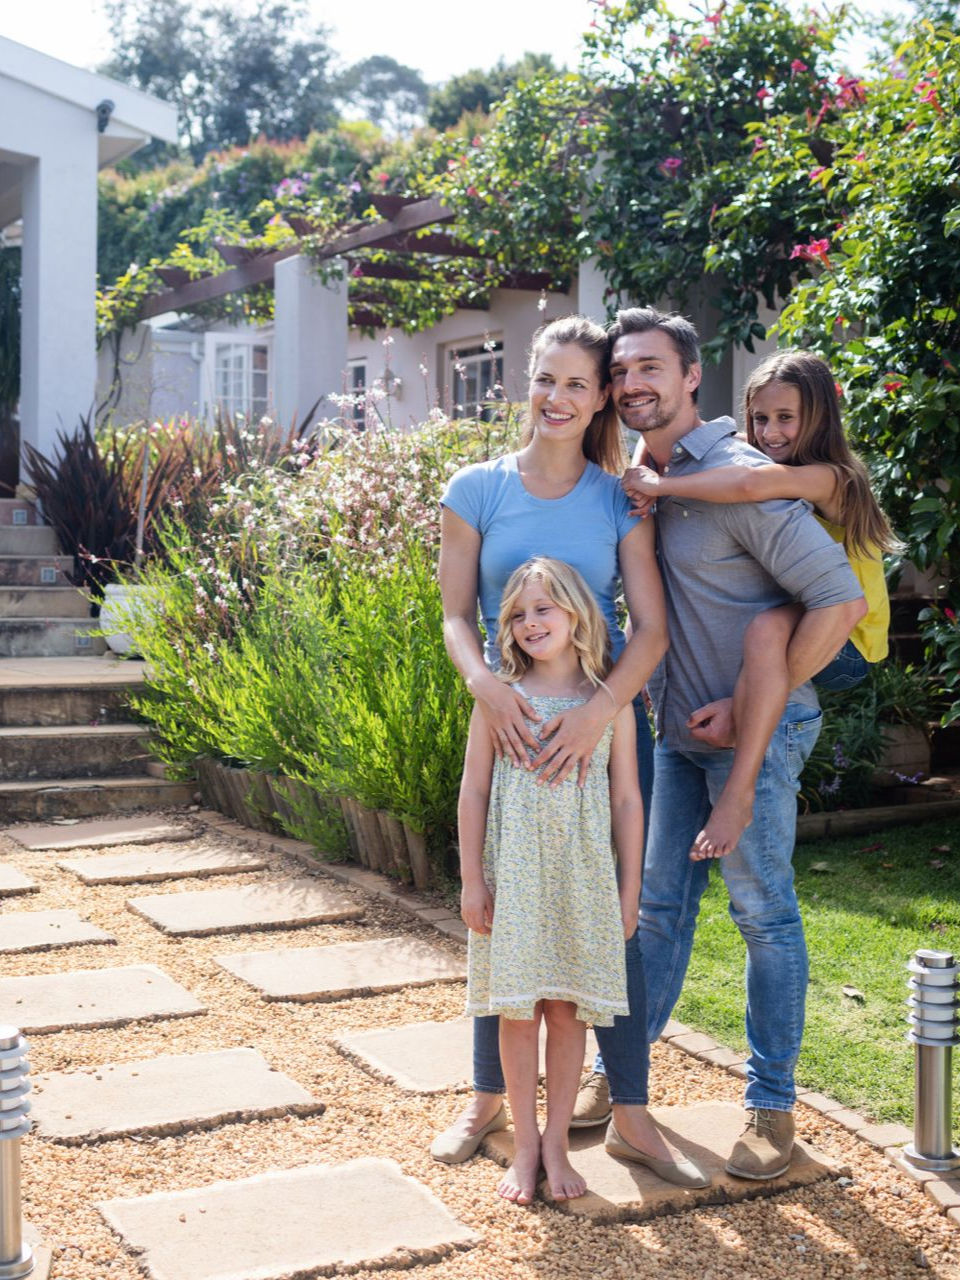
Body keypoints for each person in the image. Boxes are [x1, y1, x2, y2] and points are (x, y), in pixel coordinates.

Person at [576, 306, 866, 1182]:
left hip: (760, 736)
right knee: (657, 906)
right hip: (674, 731)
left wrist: (748, 711)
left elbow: (840, 604)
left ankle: (772, 1110)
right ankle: (618, 1078)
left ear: (691, 375)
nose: (633, 385)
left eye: (650, 368)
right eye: (621, 372)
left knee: (762, 913)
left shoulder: (744, 475)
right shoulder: (633, 479)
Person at [434, 314, 705, 1187]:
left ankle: (630, 1112)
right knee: (499, 917)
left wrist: (601, 714)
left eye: (577, 385)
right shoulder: (475, 487)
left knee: (613, 925)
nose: (556, 397)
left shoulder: (615, 497)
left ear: (598, 403)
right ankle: (489, 1104)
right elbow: (452, 615)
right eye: (545, 378)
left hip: (605, 723)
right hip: (509, 716)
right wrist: (486, 687)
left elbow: (652, 631)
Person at [621, 349, 897, 859]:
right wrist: (644, 465)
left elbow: (748, 483)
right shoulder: (770, 453)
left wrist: (663, 486)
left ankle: (738, 795)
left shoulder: (833, 476)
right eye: (760, 418)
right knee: (766, 627)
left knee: (766, 628)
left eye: (786, 418)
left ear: (817, 418)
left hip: (850, 644)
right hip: (816, 624)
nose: (770, 432)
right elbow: (677, 448)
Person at [460, 557, 643, 1203]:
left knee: (566, 1014)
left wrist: (629, 893)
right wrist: (471, 881)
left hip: (580, 880)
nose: (531, 622)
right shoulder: (498, 699)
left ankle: (560, 1141)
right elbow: (474, 790)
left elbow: (627, 801)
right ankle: (527, 1144)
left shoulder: (608, 705)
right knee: (516, 1011)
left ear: (575, 615)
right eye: (517, 613)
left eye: (544, 608)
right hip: (513, 883)